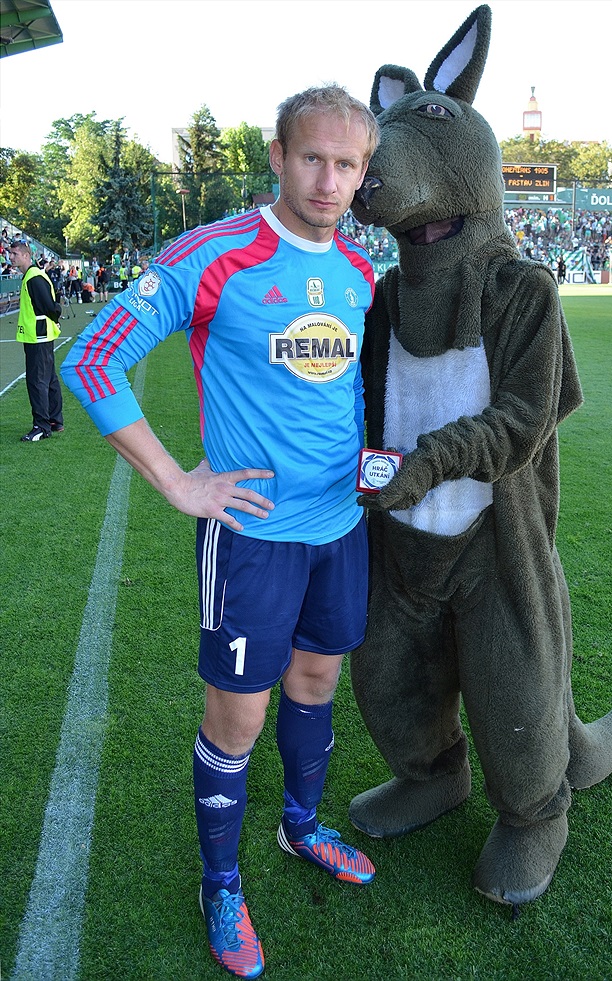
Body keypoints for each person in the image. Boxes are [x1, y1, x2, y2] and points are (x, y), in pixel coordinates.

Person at [61, 84, 380, 979]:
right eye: (312, 157)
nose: (328, 179)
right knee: (238, 717)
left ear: (363, 173)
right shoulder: (214, 255)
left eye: (347, 164)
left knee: (318, 679)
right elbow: (94, 358)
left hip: (340, 529)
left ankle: (302, 825)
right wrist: (175, 480)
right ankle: (221, 879)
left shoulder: (358, 271)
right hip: (250, 536)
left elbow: (349, 392)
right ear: (277, 156)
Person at [9, 239, 64, 441]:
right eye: (10, 254)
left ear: (26, 255)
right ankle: (54, 420)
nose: (11, 257)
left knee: (37, 380)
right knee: (48, 378)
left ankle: (41, 426)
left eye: (15, 254)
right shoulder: (33, 276)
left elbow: (51, 306)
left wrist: (55, 319)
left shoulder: (33, 277)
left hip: (37, 336)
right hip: (40, 335)